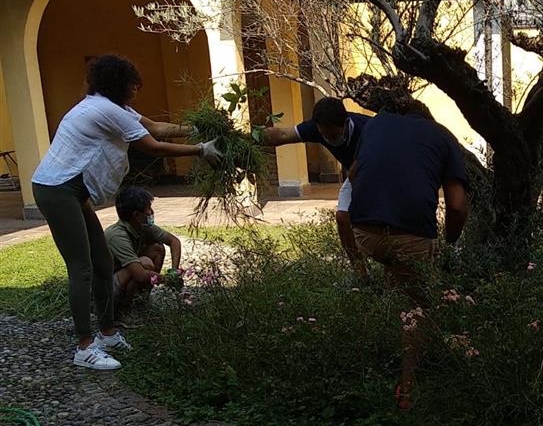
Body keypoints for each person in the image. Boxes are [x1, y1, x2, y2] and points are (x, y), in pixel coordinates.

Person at [31, 54, 220, 371]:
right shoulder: (104, 109)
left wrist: (199, 128)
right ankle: (84, 347)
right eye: (133, 83)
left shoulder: (117, 108)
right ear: (119, 84)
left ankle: (107, 333)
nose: (137, 88)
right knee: (82, 268)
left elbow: (157, 128)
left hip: (72, 190)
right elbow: (152, 146)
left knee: (103, 263)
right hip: (56, 189)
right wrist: (201, 150)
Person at [348, 109, 470, 408]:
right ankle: (408, 385)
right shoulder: (443, 136)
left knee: (397, 277)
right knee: (419, 306)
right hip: (411, 236)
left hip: (364, 230)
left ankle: (377, 352)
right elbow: (456, 205)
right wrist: (450, 242)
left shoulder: (376, 125)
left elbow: (352, 174)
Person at [261, 96, 370, 270]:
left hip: (382, 172)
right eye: (324, 135)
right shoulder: (316, 128)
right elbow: (282, 134)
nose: (328, 138)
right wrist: (246, 138)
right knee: (342, 217)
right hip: (356, 174)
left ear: (345, 123)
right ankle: (360, 270)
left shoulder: (367, 129)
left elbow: (358, 171)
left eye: (333, 135)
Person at [105, 187, 182, 325]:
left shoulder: (142, 227)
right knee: (145, 263)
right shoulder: (117, 235)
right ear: (136, 215)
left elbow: (174, 241)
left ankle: (140, 300)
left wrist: (174, 271)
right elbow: (140, 274)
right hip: (107, 288)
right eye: (148, 208)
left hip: (122, 276)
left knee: (157, 249)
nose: (151, 212)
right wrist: (167, 280)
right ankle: (123, 311)